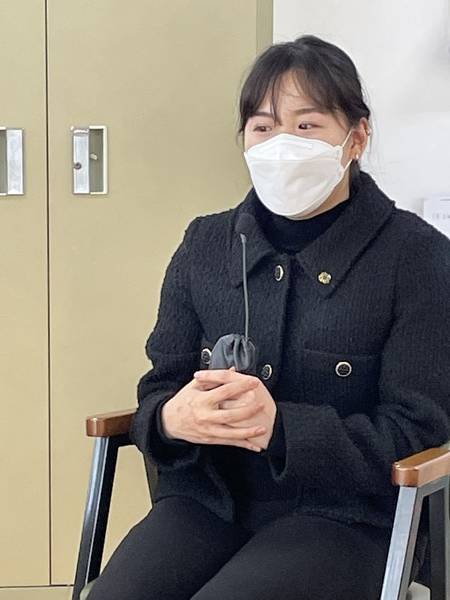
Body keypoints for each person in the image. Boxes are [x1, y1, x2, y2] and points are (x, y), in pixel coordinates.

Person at [87, 35, 450, 600]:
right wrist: (169, 418)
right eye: (263, 127)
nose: (282, 144)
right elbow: (160, 385)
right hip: (208, 503)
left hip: (347, 517)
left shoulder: (417, 257)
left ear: (357, 137)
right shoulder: (205, 243)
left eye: (307, 126)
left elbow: (421, 431)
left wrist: (281, 429)